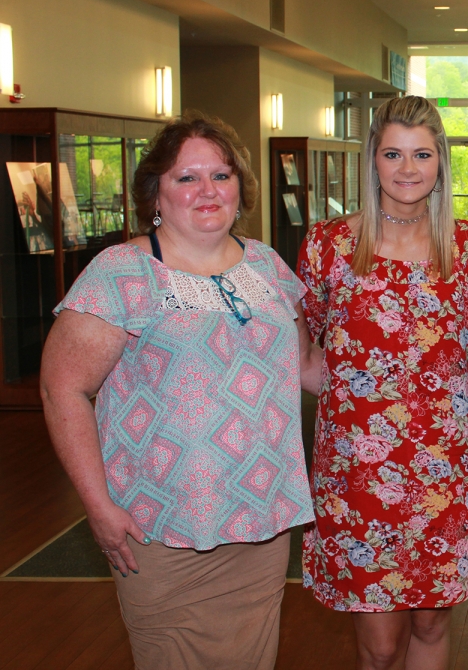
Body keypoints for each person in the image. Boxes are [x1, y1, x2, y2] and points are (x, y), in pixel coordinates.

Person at [40, 112, 322, 669]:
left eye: (220, 175)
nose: (207, 190)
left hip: (261, 523)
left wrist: (411, 371)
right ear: (155, 194)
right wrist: (97, 506)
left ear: (240, 186)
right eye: (186, 177)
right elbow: (61, 390)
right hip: (161, 527)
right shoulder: (120, 273)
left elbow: (308, 366)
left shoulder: (266, 265)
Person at [298, 95, 468, 670]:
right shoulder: (329, 245)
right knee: (380, 646)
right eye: (393, 154)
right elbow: (305, 349)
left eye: (422, 154)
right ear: (372, 161)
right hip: (359, 470)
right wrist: (360, 401)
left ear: (440, 163)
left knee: (432, 623)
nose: (407, 169)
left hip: (445, 471)